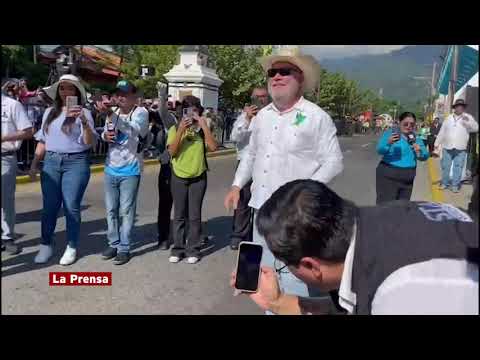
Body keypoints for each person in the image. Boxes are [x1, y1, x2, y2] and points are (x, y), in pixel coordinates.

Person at [232, 179, 478, 315]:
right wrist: (277, 302)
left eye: (284, 265)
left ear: (310, 265)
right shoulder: (373, 221)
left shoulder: (402, 292)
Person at [224, 47, 343, 301]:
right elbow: (251, 155)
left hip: (295, 218)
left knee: (294, 284)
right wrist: (236, 185)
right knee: (258, 279)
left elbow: (334, 162)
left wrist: (302, 193)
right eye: (272, 72)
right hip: (259, 211)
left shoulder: (316, 117)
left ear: (300, 78)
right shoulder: (261, 117)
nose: (276, 77)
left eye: (284, 71)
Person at [29, 74, 97, 265]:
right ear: (58, 92)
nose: (66, 92)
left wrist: (83, 121)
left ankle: (71, 246)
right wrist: (34, 163)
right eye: (62, 88)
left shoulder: (85, 113)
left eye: (70, 88)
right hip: (51, 162)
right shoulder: (49, 112)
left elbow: (88, 142)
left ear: (76, 92)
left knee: (71, 206)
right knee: (49, 207)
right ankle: (45, 244)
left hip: (76, 162)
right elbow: (43, 140)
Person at [94, 80, 149, 265]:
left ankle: (124, 247)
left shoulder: (141, 113)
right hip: (111, 168)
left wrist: (110, 113)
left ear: (135, 97)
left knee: (126, 211)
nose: (121, 98)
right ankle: (114, 243)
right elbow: (106, 132)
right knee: (111, 210)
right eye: (118, 94)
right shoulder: (115, 112)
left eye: (125, 94)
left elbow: (134, 131)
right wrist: (104, 136)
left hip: (130, 170)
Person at [167, 95, 217, 264]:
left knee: (194, 216)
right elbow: (172, 152)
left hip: (198, 177)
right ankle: (178, 248)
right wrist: (181, 130)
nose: (191, 114)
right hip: (178, 176)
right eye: (188, 110)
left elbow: (213, 147)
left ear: (199, 111)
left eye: (195, 110)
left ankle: (193, 249)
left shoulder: (202, 130)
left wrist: (204, 126)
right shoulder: (175, 128)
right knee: (179, 214)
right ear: (183, 112)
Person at [228, 86, 269, 250]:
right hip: (245, 163)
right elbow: (234, 137)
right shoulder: (243, 116)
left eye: (263, 97)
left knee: (264, 201)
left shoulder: (272, 116)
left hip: (266, 164)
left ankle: (260, 236)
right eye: (256, 97)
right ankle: (239, 235)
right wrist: (247, 119)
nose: (260, 100)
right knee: (242, 201)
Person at [1, 93, 34, 254]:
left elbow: (28, 131)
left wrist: (3, 138)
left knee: (6, 200)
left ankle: (7, 237)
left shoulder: (12, 105)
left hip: (4, 158)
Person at [376, 112, 429, 204]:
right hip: (389, 176)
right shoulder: (390, 133)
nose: (409, 126)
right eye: (405, 124)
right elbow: (380, 150)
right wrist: (388, 143)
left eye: (412, 124)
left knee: (402, 209)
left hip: (408, 178)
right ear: (399, 123)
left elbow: (425, 156)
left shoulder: (415, 138)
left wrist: (419, 151)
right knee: (385, 207)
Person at [435, 99, 478, 193]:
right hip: (447, 146)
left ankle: (455, 185)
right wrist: (436, 144)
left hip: (461, 147)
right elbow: (442, 132)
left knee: (458, 167)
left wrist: (468, 122)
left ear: (464, 107)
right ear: (454, 108)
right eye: (458, 106)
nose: (460, 108)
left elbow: (476, 128)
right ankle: (444, 183)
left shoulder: (468, 117)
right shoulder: (448, 118)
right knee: (446, 166)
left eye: (462, 106)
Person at [154, 83, 178, 250]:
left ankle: (183, 237)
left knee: (184, 207)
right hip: (168, 168)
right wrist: (163, 95)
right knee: (165, 204)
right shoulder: (172, 123)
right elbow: (162, 112)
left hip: (187, 171)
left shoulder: (198, 124)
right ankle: (163, 237)